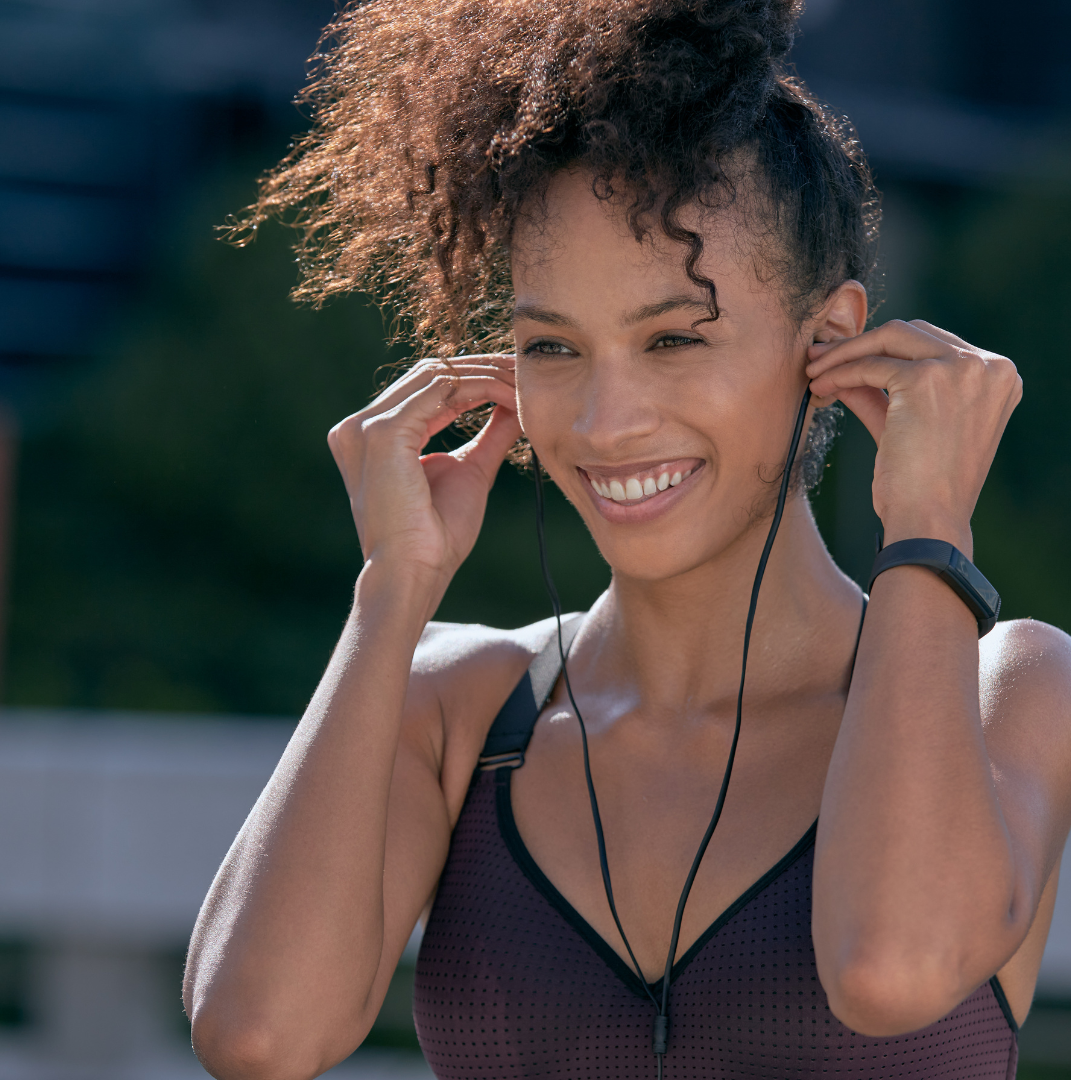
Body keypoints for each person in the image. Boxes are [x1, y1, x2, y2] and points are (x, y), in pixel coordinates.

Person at [183, 1, 1071, 1077]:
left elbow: (893, 967)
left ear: (829, 341)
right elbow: (257, 1035)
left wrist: (926, 527)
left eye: (673, 338)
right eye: (553, 347)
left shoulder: (1007, 691)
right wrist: (392, 591)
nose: (605, 422)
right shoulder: (459, 707)